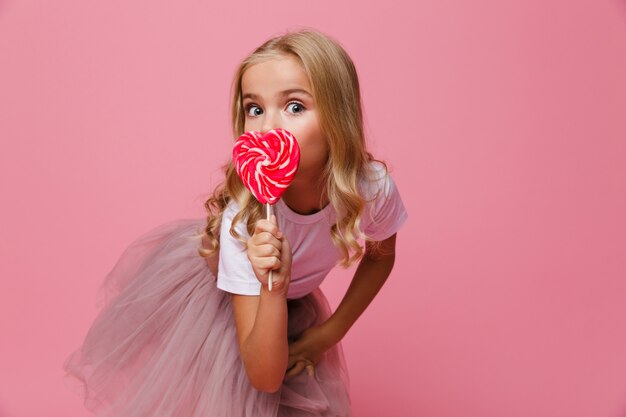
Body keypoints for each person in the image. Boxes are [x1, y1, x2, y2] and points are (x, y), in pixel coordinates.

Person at [62, 28, 408, 417]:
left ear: (337, 114)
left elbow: (381, 256)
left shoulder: (370, 186)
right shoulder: (243, 222)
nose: (267, 128)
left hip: (292, 298)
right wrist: (272, 287)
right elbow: (264, 376)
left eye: (295, 107)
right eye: (254, 109)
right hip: (228, 304)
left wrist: (331, 332)